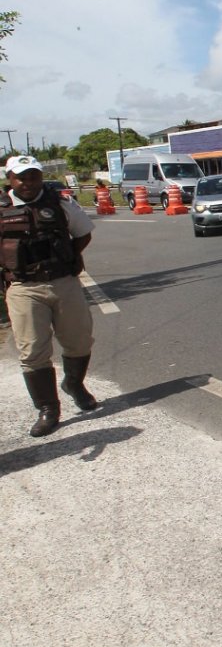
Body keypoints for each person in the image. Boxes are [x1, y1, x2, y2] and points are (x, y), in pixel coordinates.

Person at [0, 155, 99, 437]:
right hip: (23, 288)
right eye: (21, 177)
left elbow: (83, 233)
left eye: (33, 175)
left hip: (63, 282)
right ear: (10, 179)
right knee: (32, 351)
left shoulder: (60, 204)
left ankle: (74, 384)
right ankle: (48, 409)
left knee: (80, 340)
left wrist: (72, 256)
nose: (28, 182)